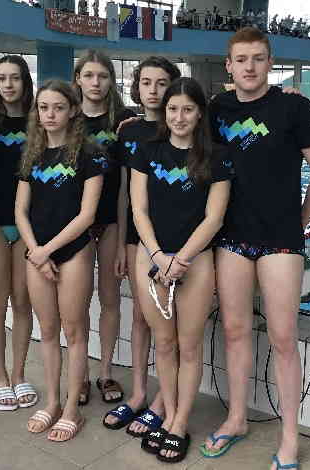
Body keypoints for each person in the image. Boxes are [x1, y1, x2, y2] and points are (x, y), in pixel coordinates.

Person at [202, 28, 310, 470]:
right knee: (235, 331)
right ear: (229, 65)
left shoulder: (294, 107)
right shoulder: (216, 110)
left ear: (269, 63)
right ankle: (237, 418)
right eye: (241, 59)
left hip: (280, 240)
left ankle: (290, 436)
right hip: (232, 239)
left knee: (282, 338)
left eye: (258, 58)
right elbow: (177, 131)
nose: (249, 67)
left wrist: (299, 223)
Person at [131, 77, 232, 463]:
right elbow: (138, 209)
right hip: (152, 258)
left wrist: (179, 261)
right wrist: (158, 256)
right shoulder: (147, 151)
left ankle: (180, 423)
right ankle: (169, 413)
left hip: (195, 259)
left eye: (188, 109)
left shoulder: (216, 157)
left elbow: (213, 218)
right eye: (173, 109)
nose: (179, 116)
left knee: (189, 346)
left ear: (200, 113)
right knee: (165, 344)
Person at [16, 79, 108, 442]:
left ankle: (72, 408)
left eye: (58, 107)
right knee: (48, 331)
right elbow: (20, 210)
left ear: (73, 111)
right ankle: (52, 401)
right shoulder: (32, 153)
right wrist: (36, 251)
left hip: (73, 251)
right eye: (43, 107)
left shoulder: (89, 154)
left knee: (74, 331)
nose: (50, 114)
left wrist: (46, 250)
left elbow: (87, 215)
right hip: (37, 252)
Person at [101, 56, 181, 438]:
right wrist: (120, 244)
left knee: (167, 323)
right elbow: (122, 193)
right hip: (136, 237)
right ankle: (137, 394)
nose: (153, 90)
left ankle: (163, 400)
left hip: (173, 239)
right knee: (140, 318)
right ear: (136, 86)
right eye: (146, 82)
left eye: (161, 83)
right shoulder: (129, 131)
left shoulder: (181, 124)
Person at [73, 50, 137, 406]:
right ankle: (80, 374)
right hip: (76, 222)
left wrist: (125, 238)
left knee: (110, 299)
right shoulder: (69, 117)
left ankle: (106, 371)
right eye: (89, 75)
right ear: (78, 79)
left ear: (111, 80)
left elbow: (127, 185)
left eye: (102, 76)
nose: (96, 83)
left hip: (111, 220)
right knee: (79, 302)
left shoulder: (123, 121)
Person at [0, 54, 38, 412]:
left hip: (28, 222)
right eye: (2, 78)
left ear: (25, 82)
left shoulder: (38, 121)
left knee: (22, 301)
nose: (8, 85)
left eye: (14, 78)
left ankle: (19, 374)